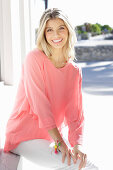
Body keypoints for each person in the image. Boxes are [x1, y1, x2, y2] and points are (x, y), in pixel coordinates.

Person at [3, 8, 98, 170]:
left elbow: (75, 113)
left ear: (68, 31)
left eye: (61, 28)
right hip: (23, 136)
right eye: (49, 30)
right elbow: (40, 105)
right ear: (43, 34)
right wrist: (60, 141)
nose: (56, 35)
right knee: (80, 166)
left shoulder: (74, 70)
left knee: (85, 163)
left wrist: (77, 144)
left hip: (50, 136)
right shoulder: (34, 59)